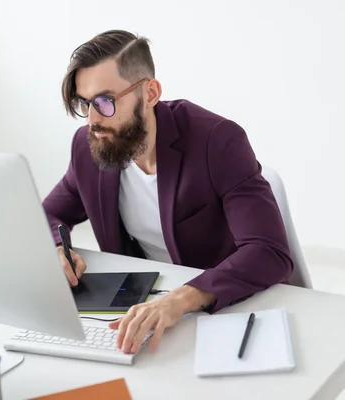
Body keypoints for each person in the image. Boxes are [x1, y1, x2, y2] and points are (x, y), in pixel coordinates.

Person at [43, 30, 293, 355]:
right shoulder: (90, 145)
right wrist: (58, 248)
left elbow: (269, 251)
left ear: (150, 93)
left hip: (226, 306)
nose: (91, 120)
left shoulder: (217, 141)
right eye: (84, 103)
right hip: (144, 303)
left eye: (104, 102)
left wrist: (181, 299)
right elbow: (50, 213)